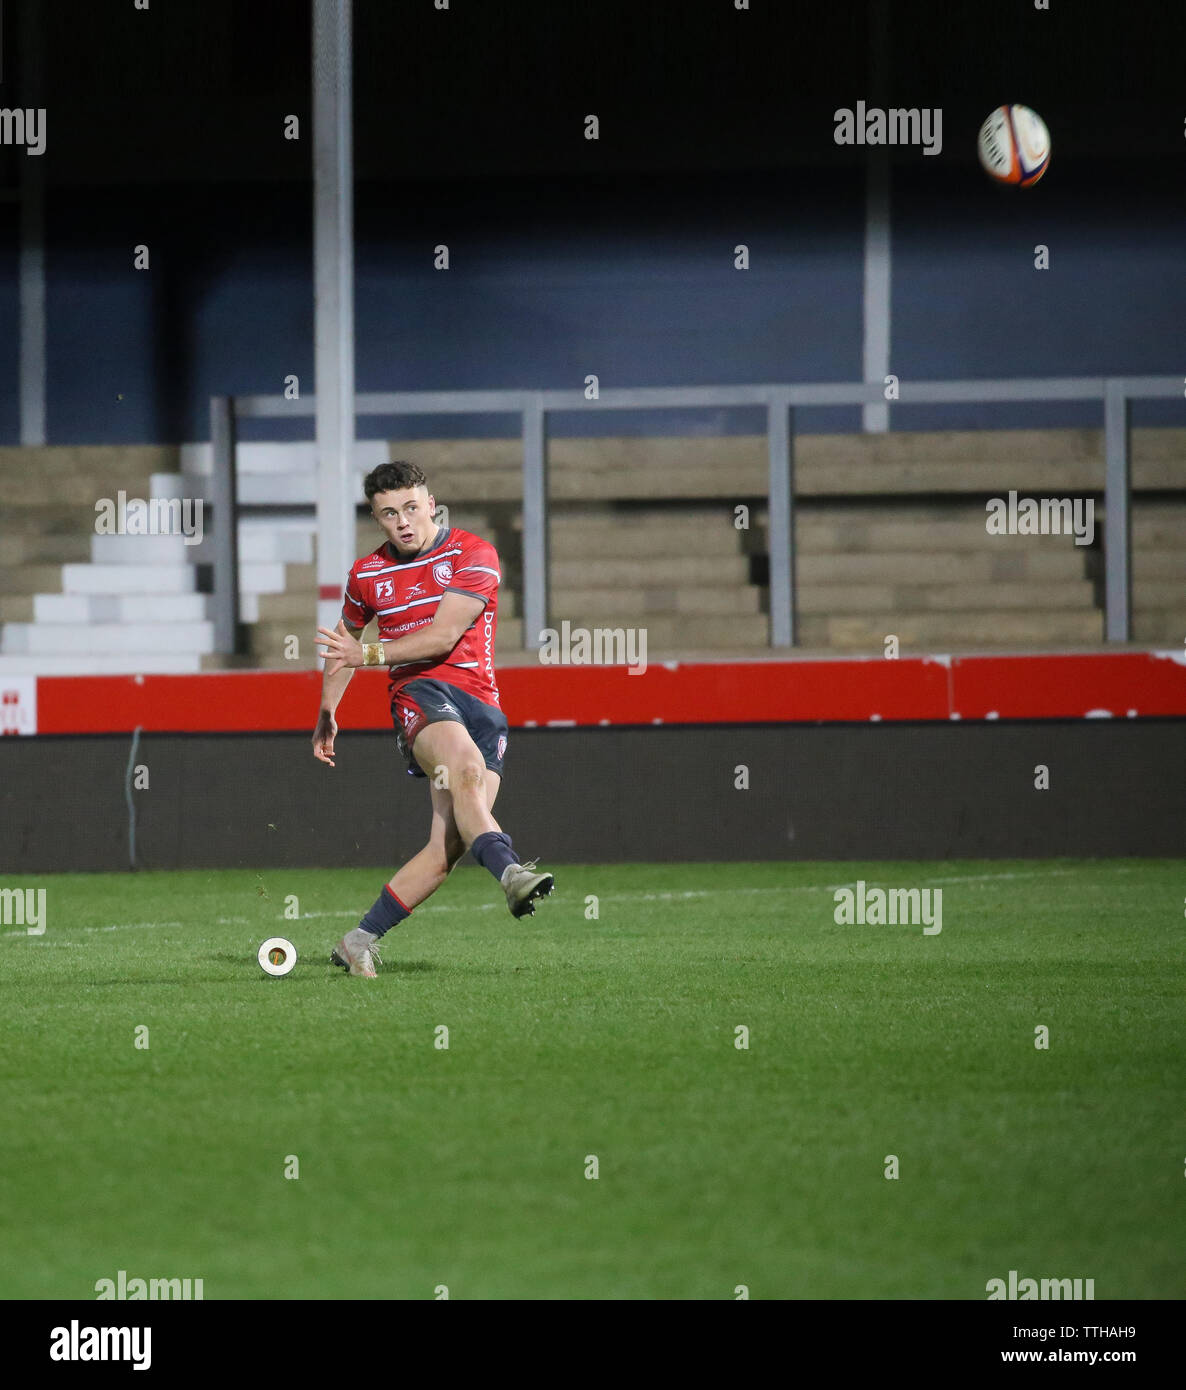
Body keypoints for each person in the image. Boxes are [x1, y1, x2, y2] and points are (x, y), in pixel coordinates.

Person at [313, 460, 553, 978]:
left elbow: (443, 636)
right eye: (388, 513)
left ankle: (358, 940)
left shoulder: (473, 553)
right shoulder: (367, 575)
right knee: (465, 770)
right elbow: (342, 645)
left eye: (411, 508)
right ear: (376, 519)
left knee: (449, 845)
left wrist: (366, 656)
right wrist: (328, 710)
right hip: (420, 695)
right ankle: (511, 872)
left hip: (482, 707)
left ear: (430, 503)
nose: (403, 521)